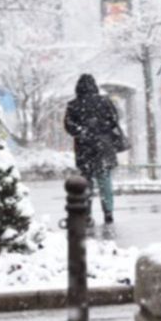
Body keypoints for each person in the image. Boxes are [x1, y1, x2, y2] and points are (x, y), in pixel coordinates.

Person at [64, 74, 120, 227]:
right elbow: (114, 120)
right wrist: (101, 128)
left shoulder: (73, 105)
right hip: (104, 147)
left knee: (86, 182)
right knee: (105, 180)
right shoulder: (105, 102)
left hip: (84, 148)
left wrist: (82, 130)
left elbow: (69, 126)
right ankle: (108, 212)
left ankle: (87, 214)